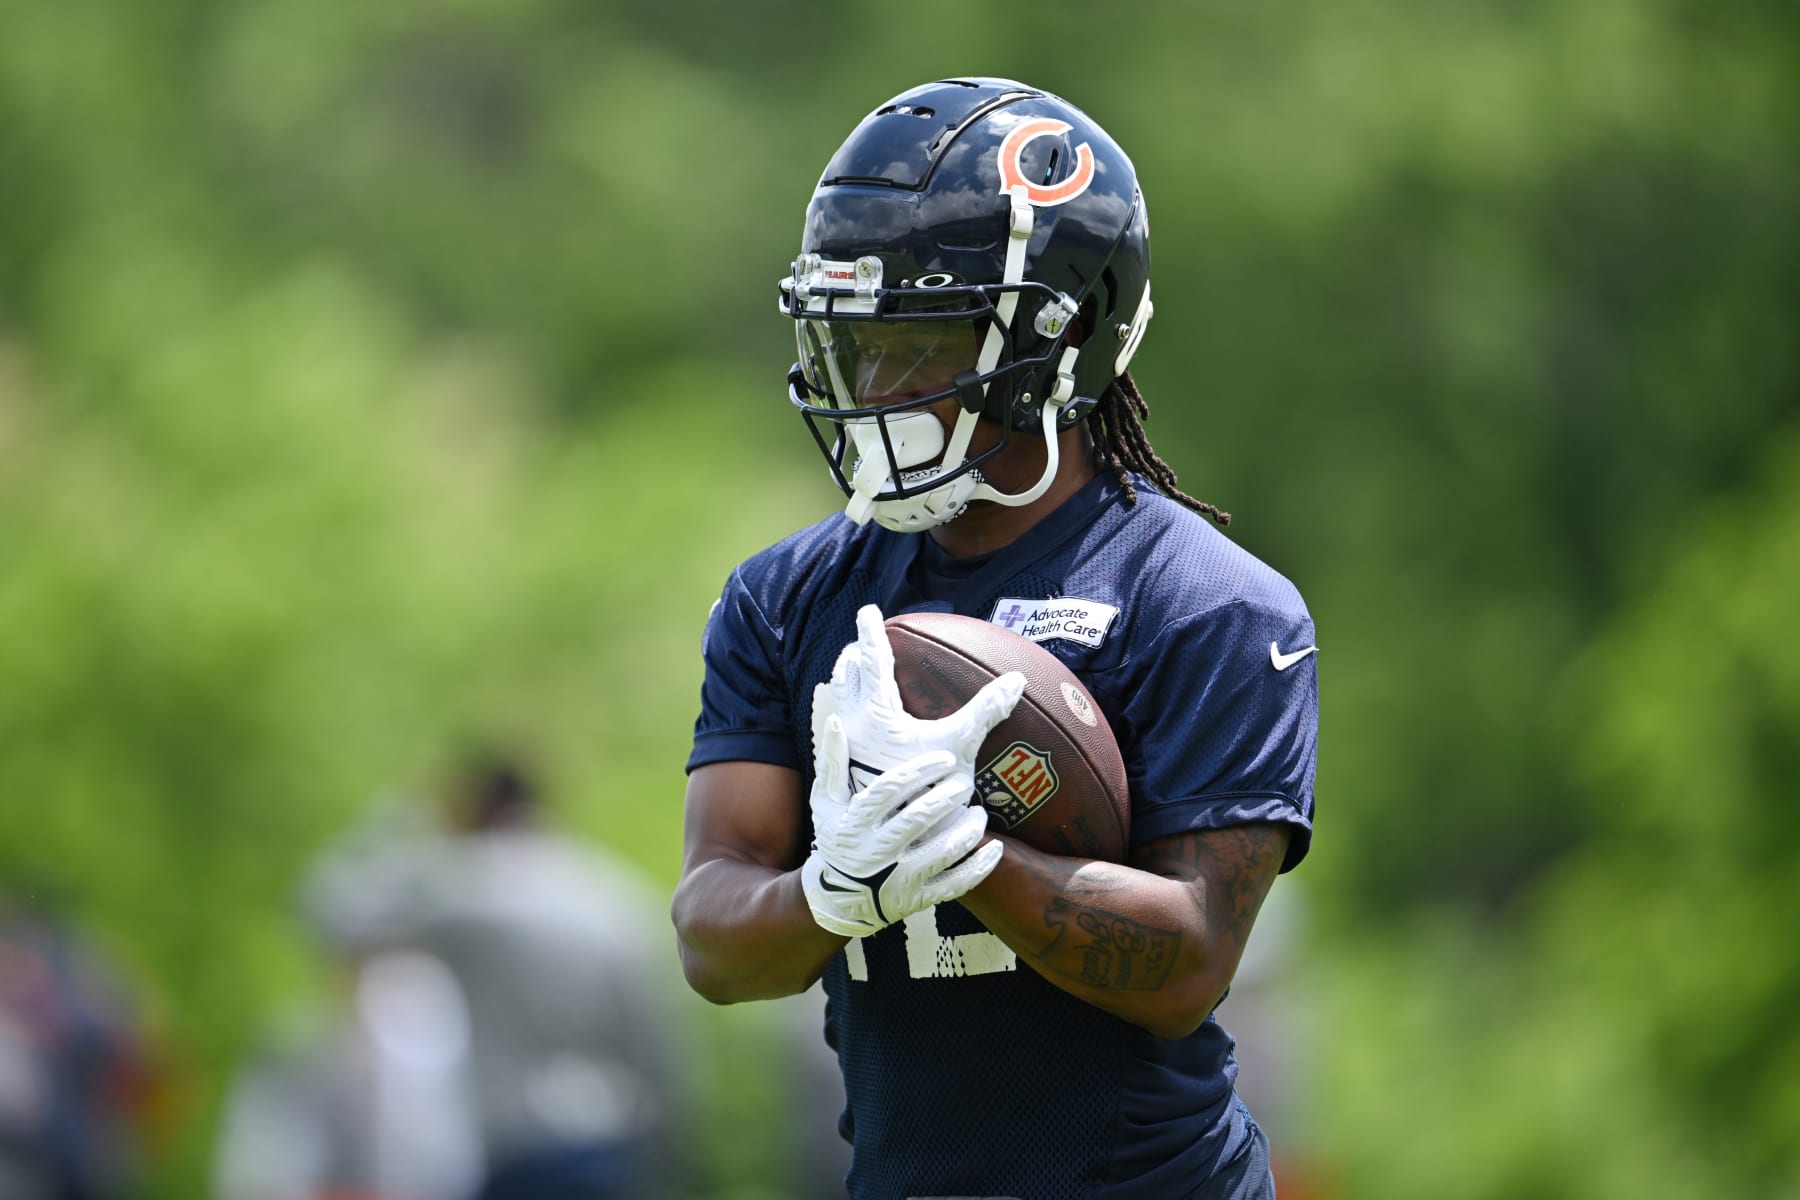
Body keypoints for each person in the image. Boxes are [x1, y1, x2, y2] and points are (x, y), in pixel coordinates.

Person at [671, 76, 1318, 1199]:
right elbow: (711, 937)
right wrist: (835, 891)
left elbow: (1188, 963)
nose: (875, 387)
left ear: (1055, 346)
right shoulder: (786, 595)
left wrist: (961, 851)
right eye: (857, 343)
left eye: (920, 343)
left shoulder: (1207, 601)